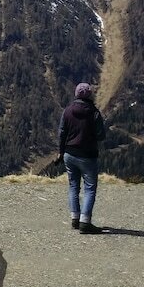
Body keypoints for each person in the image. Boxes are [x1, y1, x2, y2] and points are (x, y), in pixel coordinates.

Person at [57, 82, 106, 234]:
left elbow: (61, 133)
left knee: (73, 186)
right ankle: (85, 222)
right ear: (90, 95)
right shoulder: (94, 112)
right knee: (90, 188)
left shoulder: (68, 110)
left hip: (69, 154)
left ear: (76, 94)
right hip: (87, 156)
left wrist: (61, 151)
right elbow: (101, 136)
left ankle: (75, 219)